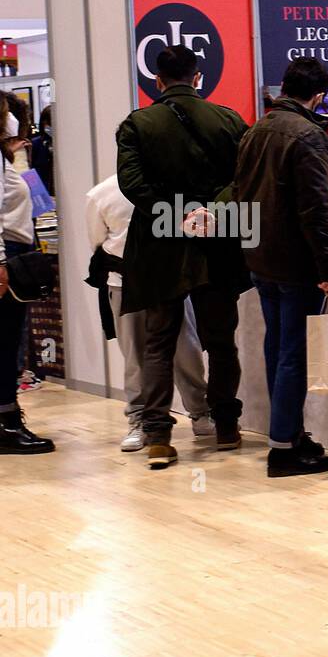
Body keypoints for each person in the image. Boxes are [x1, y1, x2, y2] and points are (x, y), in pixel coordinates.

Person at [116, 44, 250, 470]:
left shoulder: (137, 124)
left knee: (158, 343)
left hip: (160, 246)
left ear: (157, 81)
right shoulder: (229, 119)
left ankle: (157, 437)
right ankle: (226, 428)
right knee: (221, 341)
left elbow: (132, 186)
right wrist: (209, 210)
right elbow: (245, 179)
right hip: (220, 239)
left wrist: (179, 214)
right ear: (197, 77)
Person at [232, 56, 328, 478]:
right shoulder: (308, 135)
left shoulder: (256, 128)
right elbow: (315, 207)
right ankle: (283, 448)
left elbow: (240, 190)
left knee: (277, 346)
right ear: (318, 96)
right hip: (295, 261)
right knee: (294, 353)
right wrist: (327, 264)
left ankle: (290, 434)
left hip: (261, 255)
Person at [86, 174, 213, 451]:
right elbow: (98, 243)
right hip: (123, 283)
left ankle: (200, 412)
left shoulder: (171, 183)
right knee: (135, 355)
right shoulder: (101, 194)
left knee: (186, 350)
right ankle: (139, 420)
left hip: (171, 280)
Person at [0, 95, 54, 453]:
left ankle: (8, 415)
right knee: (6, 342)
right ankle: (6, 422)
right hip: (7, 253)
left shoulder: (10, 161)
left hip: (14, 251)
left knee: (10, 340)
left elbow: (33, 200)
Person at [31, 105, 54, 197]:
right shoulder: (35, 144)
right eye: (45, 124)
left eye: (49, 124)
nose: (47, 128)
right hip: (42, 194)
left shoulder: (65, 145)